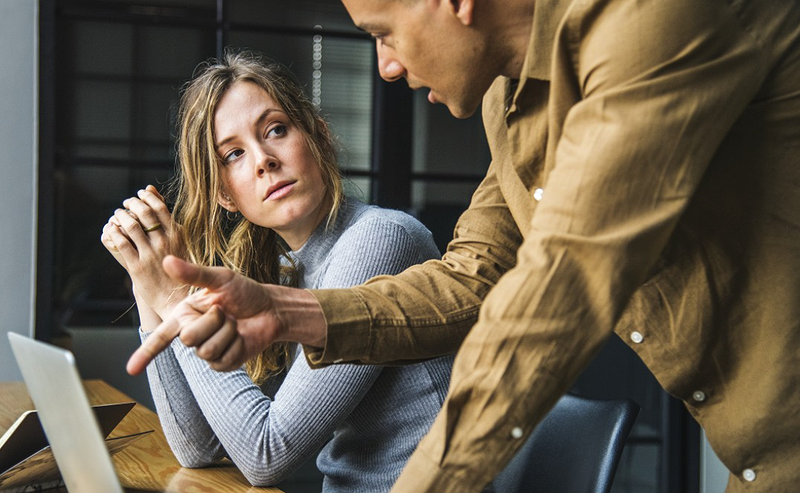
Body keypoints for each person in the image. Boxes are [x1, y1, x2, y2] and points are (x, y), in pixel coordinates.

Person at [128, 0, 800, 491]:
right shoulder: (508, 101)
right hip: (756, 461)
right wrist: (287, 311)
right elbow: (472, 276)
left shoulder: (650, 20)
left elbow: (558, 288)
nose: (385, 66)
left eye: (383, 33)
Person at [103, 51, 454, 492]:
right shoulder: (287, 269)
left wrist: (174, 298)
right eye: (232, 154)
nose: (263, 159)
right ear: (225, 196)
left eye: (275, 130)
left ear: (319, 136)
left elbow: (264, 455)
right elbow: (199, 448)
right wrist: (146, 278)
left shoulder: (381, 239)